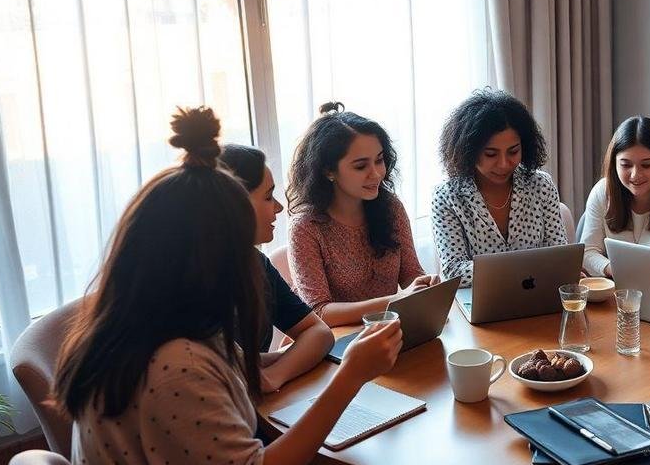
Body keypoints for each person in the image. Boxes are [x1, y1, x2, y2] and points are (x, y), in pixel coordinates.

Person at [54, 107, 430, 465]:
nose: (277, 211)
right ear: (213, 248)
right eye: (268, 199)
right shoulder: (176, 365)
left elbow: (245, 366)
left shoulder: (138, 327)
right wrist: (351, 374)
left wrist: (274, 365)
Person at [286, 103, 436, 327]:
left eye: (379, 160)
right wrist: (395, 300)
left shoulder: (391, 207)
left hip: (387, 329)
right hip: (337, 342)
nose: (376, 174)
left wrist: (424, 286)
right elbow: (319, 311)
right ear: (328, 171)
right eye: (360, 166)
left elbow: (410, 274)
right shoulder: (306, 226)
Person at [219, 144, 333, 393]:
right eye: (269, 196)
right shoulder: (192, 287)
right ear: (235, 205)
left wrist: (273, 376)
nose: (279, 208)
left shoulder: (255, 263)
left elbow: (319, 332)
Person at [431, 89, 568, 286]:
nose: (504, 164)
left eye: (513, 151)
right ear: (468, 151)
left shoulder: (541, 185)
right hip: (479, 307)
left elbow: (559, 255)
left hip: (537, 299)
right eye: (491, 154)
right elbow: (453, 271)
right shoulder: (447, 197)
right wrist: (524, 268)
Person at [579, 116, 650, 277]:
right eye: (626, 165)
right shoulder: (602, 191)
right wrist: (612, 269)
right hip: (613, 289)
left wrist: (623, 272)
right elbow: (587, 252)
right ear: (614, 164)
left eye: (647, 165)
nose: (635, 175)